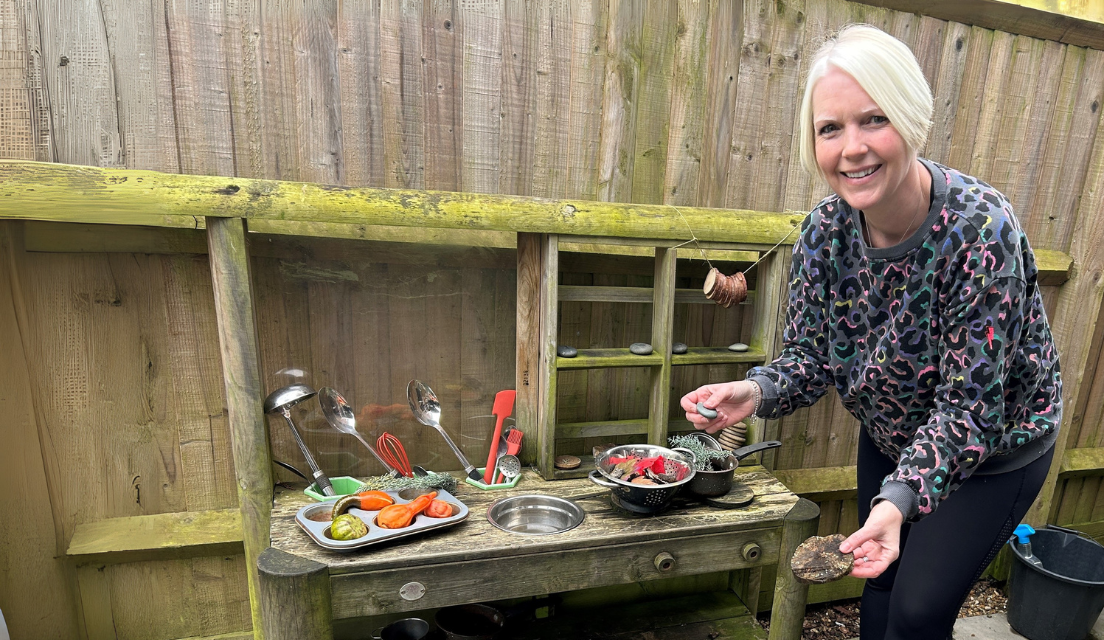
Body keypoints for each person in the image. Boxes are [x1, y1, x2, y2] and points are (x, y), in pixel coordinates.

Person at [681, 24, 1062, 640]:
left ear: (910, 119)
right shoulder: (823, 234)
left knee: (915, 611)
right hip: (890, 433)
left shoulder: (979, 230)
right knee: (878, 589)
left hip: (991, 451)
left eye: (873, 119)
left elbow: (969, 409)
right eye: (830, 128)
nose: (851, 147)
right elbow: (810, 358)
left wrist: (898, 500)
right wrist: (752, 394)